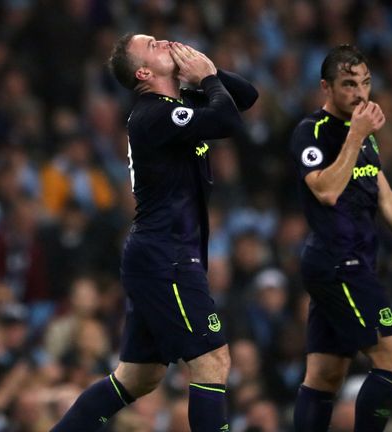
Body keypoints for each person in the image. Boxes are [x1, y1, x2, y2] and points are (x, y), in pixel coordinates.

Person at [50, 33, 257, 431]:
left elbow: (246, 98)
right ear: (144, 72)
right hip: (168, 257)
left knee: (139, 377)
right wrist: (208, 80)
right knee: (212, 361)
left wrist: (205, 72)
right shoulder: (153, 115)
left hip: (162, 255)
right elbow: (228, 121)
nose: (165, 42)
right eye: (153, 45)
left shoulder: (180, 105)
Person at [289, 45, 392, 432]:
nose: (360, 94)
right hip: (338, 262)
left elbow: (387, 199)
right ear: (326, 87)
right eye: (348, 84)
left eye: (365, 83)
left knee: (326, 374)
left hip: (353, 263)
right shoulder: (310, 133)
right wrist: (355, 136)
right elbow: (327, 191)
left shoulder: (365, 138)